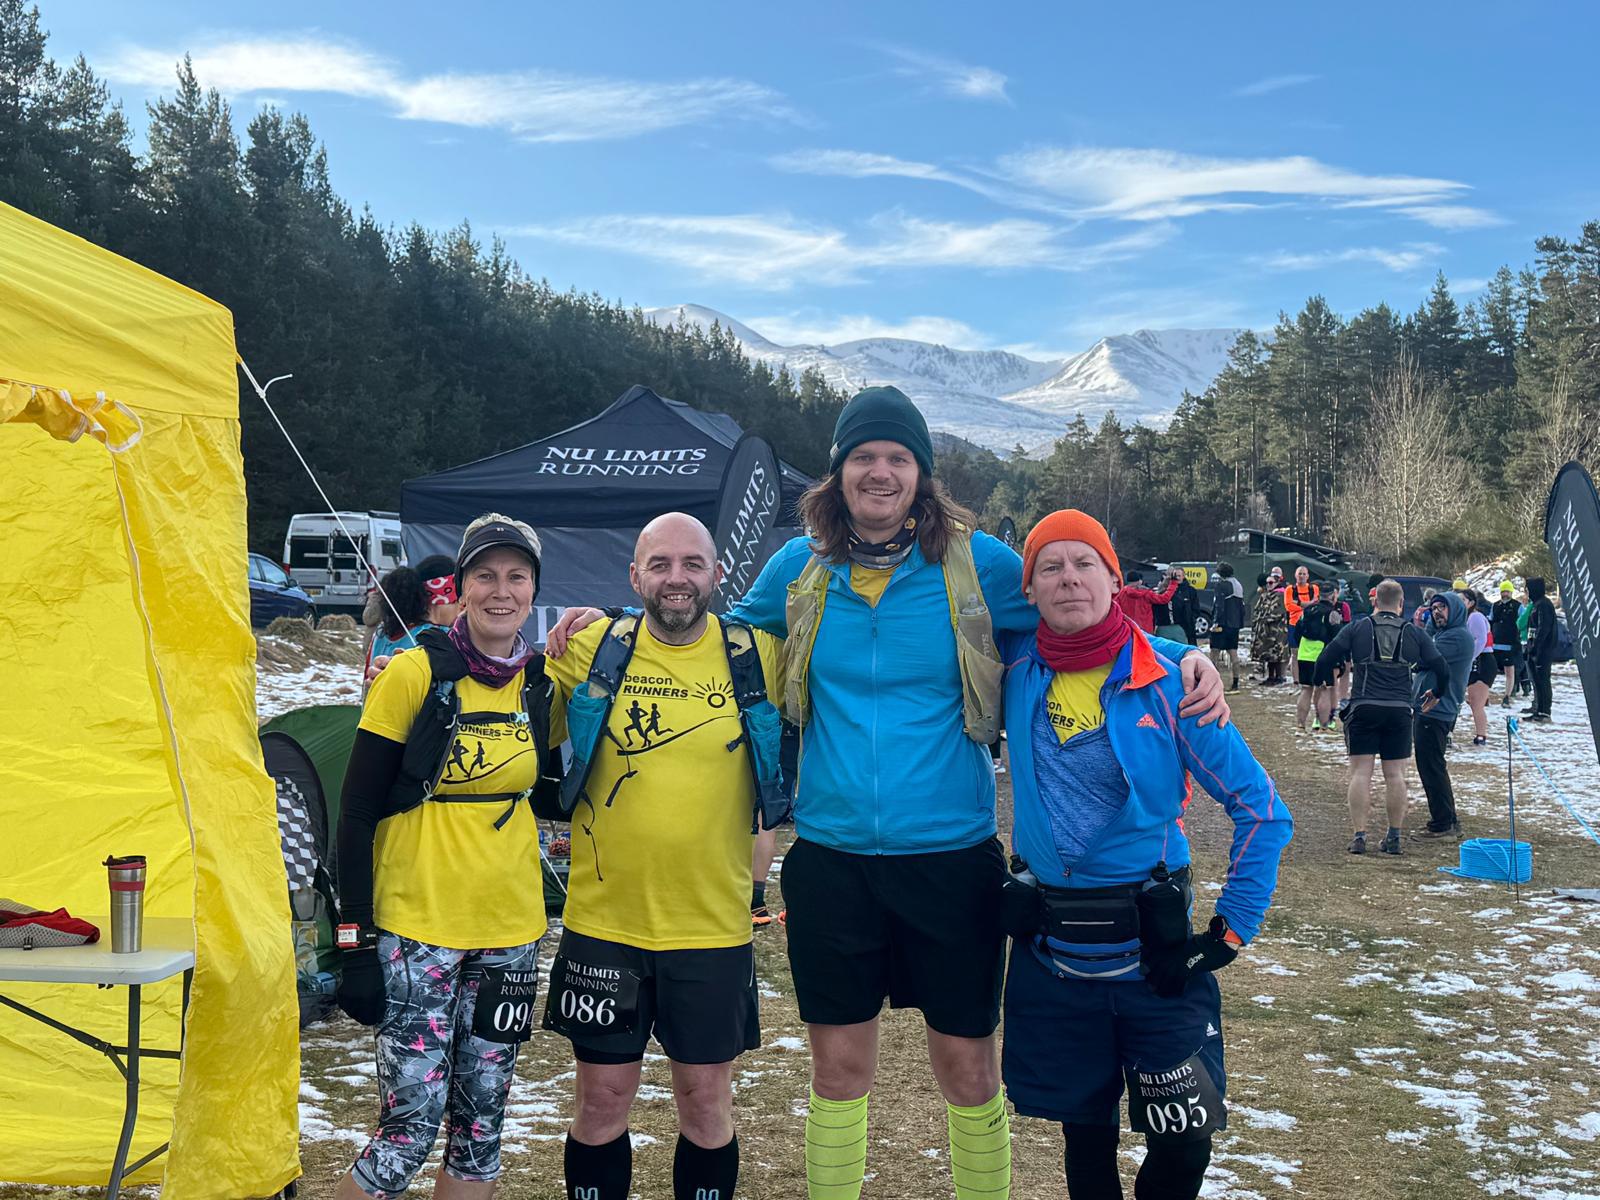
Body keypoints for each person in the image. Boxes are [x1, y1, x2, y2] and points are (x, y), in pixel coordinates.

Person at [553, 385, 1229, 1200]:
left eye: (897, 458)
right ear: (837, 474)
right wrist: (605, 629)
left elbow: (1077, 611)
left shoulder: (978, 563)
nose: (879, 473)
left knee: (968, 1069)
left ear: (923, 473)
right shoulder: (797, 569)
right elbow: (699, 627)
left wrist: (1178, 652)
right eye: (862, 458)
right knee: (838, 1072)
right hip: (833, 860)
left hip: (951, 860)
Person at [1000, 510, 1292, 1200]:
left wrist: (1229, 932)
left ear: (1112, 576)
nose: (1069, 579)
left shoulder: (1172, 680)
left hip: (1154, 960)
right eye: (1051, 567)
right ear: (1030, 589)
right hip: (1053, 955)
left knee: (1184, 1142)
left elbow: (1263, 813)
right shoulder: (1011, 664)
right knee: (1085, 1133)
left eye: (1085, 564)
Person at [544, 512, 785, 1200]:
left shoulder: (757, 653)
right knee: (599, 1104)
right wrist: (408, 665)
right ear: (634, 576)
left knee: (706, 1106)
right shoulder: (592, 645)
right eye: (660, 565)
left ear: (716, 574)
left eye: (691, 564)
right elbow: (496, 675)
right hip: (604, 924)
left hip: (710, 928)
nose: (676, 579)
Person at [334, 515, 559, 1200]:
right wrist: (352, 943)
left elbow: (546, 794)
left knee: (481, 1131)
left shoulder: (541, 680)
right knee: (408, 1130)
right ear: (458, 590)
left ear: (532, 590)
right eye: (485, 576)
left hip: (511, 937)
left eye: (516, 577)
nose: (501, 591)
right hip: (418, 934)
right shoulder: (413, 673)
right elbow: (355, 815)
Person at [1315, 581, 1450, 855]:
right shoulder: (1414, 632)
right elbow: (1441, 667)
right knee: (1395, 775)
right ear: (1401, 604)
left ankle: (1359, 836)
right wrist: (1437, 692)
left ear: (1375, 602)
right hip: (1400, 709)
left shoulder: (1357, 627)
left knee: (1361, 773)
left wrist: (1324, 683)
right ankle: (1394, 836)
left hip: (1364, 706)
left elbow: (1325, 658)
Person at [1411, 592, 1476, 841]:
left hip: (1437, 709)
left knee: (1431, 767)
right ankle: (1447, 819)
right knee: (1432, 765)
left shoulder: (1457, 637)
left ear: (1456, 610)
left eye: (1443, 608)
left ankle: (1443, 824)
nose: (1437, 612)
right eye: (1434, 607)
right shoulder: (1445, 633)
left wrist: (1421, 655)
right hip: (1431, 708)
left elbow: (1421, 655)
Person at [1293, 590, 1338, 733]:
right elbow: (1337, 636)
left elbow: (1297, 632)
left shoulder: (1307, 610)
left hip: (1304, 653)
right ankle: (1324, 726)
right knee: (1324, 689)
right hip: (1322, 655)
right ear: (1333, 596)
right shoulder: (1332, 613)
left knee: (1306, 689)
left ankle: (1300, 725)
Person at [1463, 589, 1495, 746]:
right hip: (1478, 660)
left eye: (1462, 600)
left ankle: (1481, 735)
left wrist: (1469, 659)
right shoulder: (1467, 617)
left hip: (1482, 661)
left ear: (1471, 602)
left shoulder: (1475, 617)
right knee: (1474, 701)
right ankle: (1480, 733)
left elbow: (1480, 640)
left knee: (1477, 703)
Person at [1523, 577, 1557, 723]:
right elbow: (1532, 627)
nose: (1526, 592)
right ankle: (1538, 709)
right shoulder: (1536, 604)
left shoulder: (1544, 605)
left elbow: (1543, 628)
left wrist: (1535, 646)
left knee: (1543, 681)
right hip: (1534, 649)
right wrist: (1529, 646)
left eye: (1528, 589)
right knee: (1536, 681)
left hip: (1542, 651)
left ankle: (1544, 711)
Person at [1209, 563, 1246, 691]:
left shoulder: (1221, 585)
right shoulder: (1238, 585)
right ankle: (1236, 682)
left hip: (1222, 623)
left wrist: (1215, 622)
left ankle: (1213, 683)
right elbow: (1241, 606)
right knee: (1233, 653)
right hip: (1234, 624)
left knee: (1214, 652)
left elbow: (1219, 605)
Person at [1250, 573, 1289, 686]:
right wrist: (1258, 620)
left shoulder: (1281, 595)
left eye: (1271, 583)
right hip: (1265, 632)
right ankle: (1270, 676)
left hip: (1277, 632)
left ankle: (1279, 677)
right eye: (1267, 583)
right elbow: (1257, 609)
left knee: (1276, 655)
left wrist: (1264, 618)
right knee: (1268, 655)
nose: (1268, 585)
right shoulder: (1265, 595)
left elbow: (1278, 612)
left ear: (1277, 583)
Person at [1489, 581, 1523, 707]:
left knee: (1510, 672)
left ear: (1511, 592)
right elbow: (1490, 621)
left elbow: (1523, 622)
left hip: (1510, 645)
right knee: (1490, 671)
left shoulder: (1518, 606)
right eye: (1503, 591)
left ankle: (1507, 696)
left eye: (1507, 591)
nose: (1505, 594)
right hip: (1495, 645)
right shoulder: (1495, 606)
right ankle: (1485, 696)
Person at [1116, 568, 1181, 634]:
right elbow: (1164, 599)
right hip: (1145, 631)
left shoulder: (1120, 593)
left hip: (1127, 629)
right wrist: (1173, 584)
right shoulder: (1146, 593)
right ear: (1139, 581)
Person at [1168, 568, 1201, 645]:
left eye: (1179, 576)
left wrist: (1192, 618)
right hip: (1173, 624)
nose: (1177, 578)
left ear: (1183, 576)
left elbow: (1196, 607)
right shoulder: (1169, 590)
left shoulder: (1191, 590)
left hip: (1188, 625)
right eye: (1175, 576)